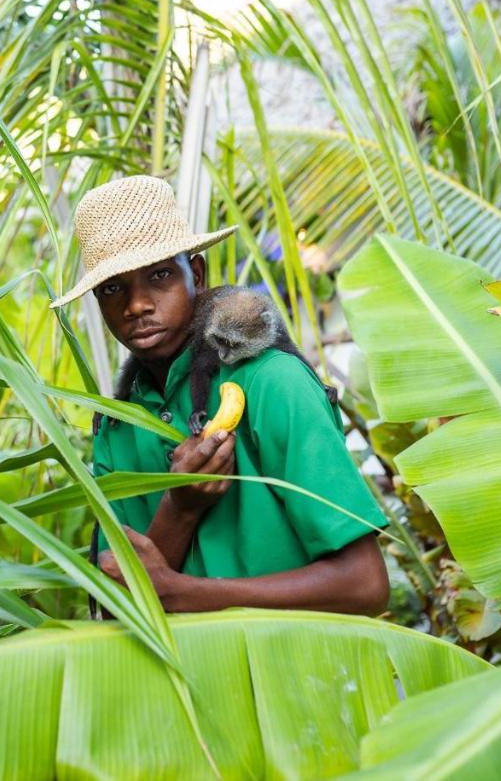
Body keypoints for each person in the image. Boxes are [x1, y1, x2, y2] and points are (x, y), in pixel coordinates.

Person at [49, 175, 390, 615]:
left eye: (159, 275)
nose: (136, 305)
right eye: (113, 288)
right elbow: (114, 608)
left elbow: (363, 585)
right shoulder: (116, 427)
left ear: (197, 273)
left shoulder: (272, 382)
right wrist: (181, 507)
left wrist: (183, 593)